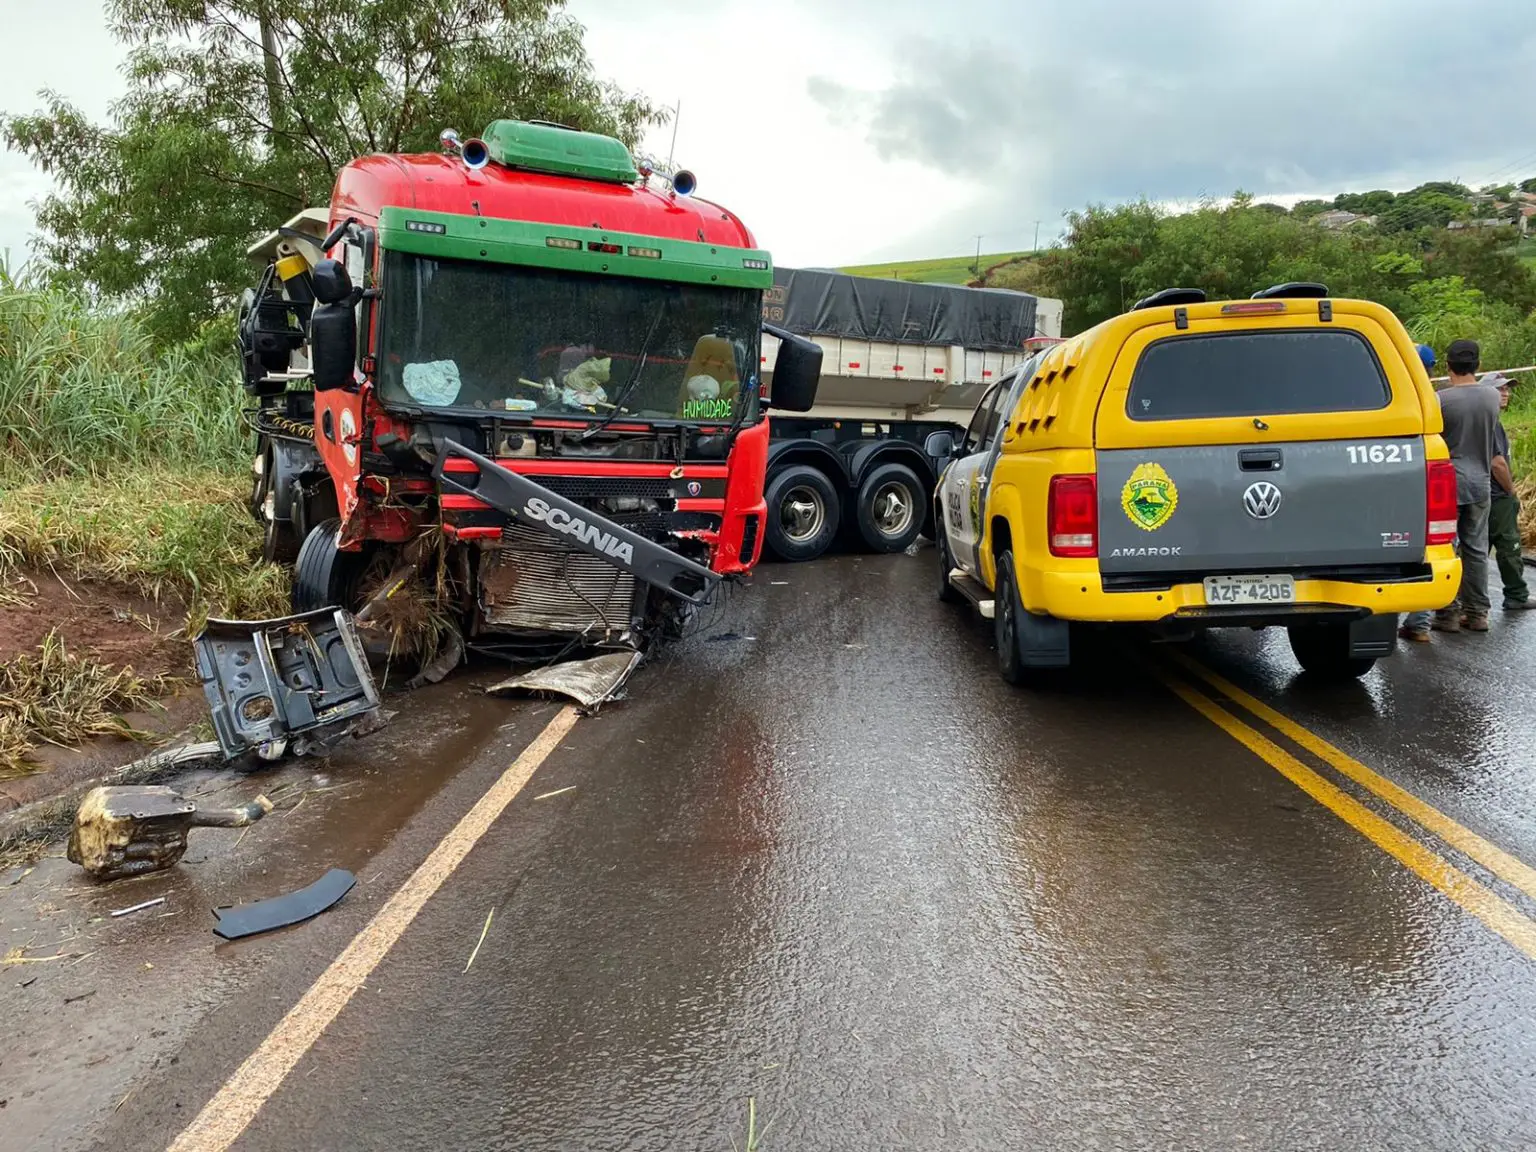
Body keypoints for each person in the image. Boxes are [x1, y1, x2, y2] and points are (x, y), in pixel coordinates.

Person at [1429, 339, 1503, 634]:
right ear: (1478, 365)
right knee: (1476, 549)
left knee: (1446, 548)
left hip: (1447, 483)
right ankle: (1478, 613)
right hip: (1481, 481)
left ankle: (1447, 613)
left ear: (1448, 367)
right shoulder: (1491, 397)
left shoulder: (1440, 400)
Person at [1401, 343, 1441, 642]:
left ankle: (1409, 623)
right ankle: (1423, 623)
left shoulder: (1405, 399)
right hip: (1428, 483)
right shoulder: (1433, 400)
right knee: (1433, 552)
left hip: (1404, 485)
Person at [1484, 370, 1533, 610]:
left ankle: (1462, 601)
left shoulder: (1492, 422)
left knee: (1475, 550)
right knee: (1509, 546)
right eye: (1500, 389)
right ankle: (1516, 594)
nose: (1505, 393)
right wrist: (1512, 491)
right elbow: (1497, 463)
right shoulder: (1491, 423)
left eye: (1507, 389)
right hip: (1496, 495)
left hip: (1482, 495)